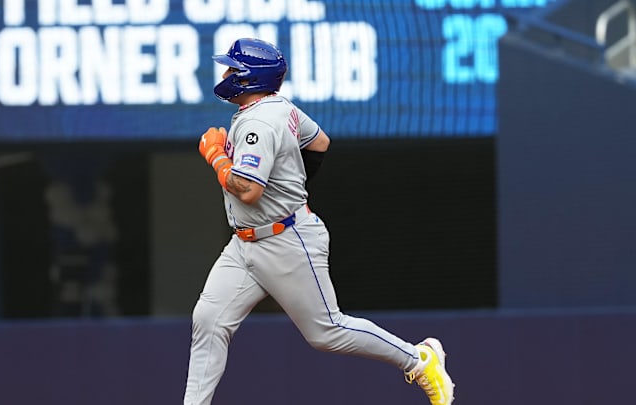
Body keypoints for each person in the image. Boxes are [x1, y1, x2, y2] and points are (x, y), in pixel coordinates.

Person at [185, 38, 455, 405]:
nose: (225, 73)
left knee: (327, 331)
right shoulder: (280, 108)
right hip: (246, 242)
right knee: (209, 319)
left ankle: (420, 359)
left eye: (232, 68)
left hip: (285, 239)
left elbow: (247, 189)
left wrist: (216, 155)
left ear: (250, 78)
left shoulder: (260, 123)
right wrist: (288, 183)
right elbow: (319, 142)